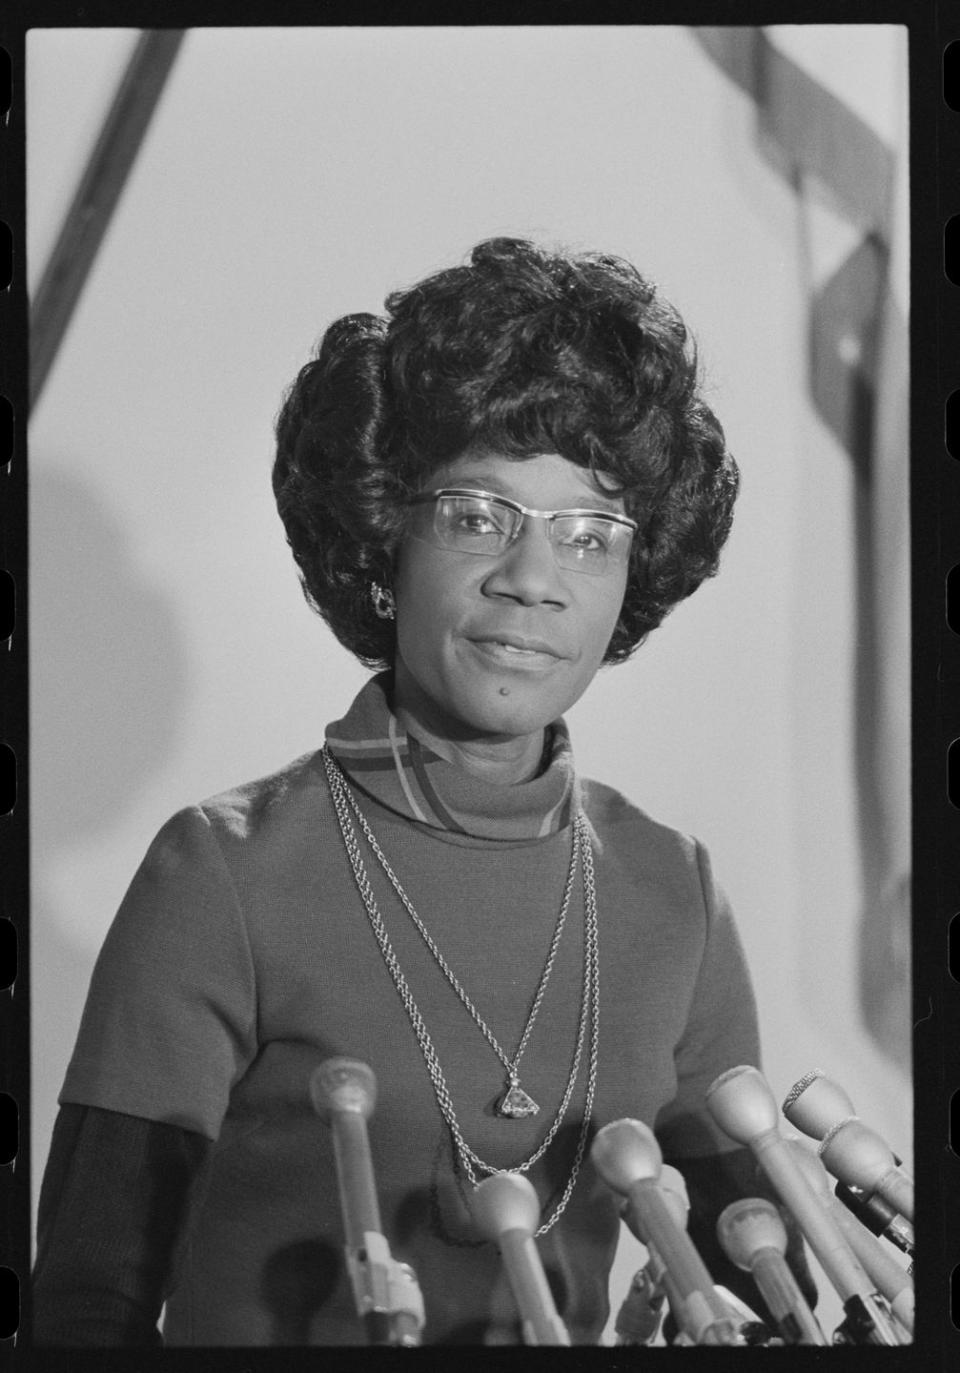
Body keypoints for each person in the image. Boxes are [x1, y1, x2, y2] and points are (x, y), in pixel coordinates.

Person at [33, 237, 810, 1346]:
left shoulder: (671, 891)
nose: (533, 579)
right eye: (477, 514)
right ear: (384, 532)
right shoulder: (221, 873)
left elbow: (773, 1283)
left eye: (589, 534)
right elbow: (80, 1309)